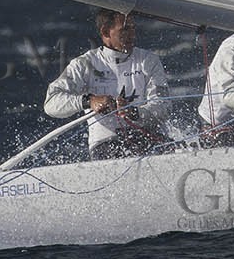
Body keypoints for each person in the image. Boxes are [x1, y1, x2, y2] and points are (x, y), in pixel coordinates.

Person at [44, 8, 170, 159]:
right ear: (105, 32)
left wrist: (135, 112)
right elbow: (51, 103)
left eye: (132, 28)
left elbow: (164, 105)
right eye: (125, 30)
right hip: (106, 145)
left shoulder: (148, 60)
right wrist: (88, 101)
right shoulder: (84, 64)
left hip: (148, 137)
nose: (132, 34)